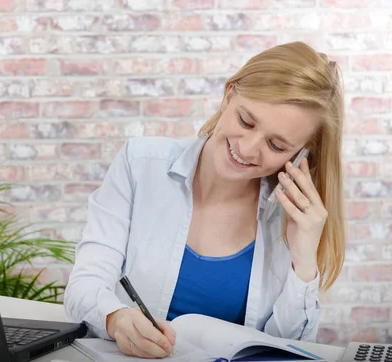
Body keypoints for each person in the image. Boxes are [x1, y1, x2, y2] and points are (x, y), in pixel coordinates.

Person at [63, 41, 346, 359]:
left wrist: (303, 262)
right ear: (228, 97)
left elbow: (289, 349)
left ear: (301, 155)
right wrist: (115, 319)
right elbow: (84, 286)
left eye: (277, 146)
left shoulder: (290, 217)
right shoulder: (141, 164)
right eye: (246, 121)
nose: (249, 148)